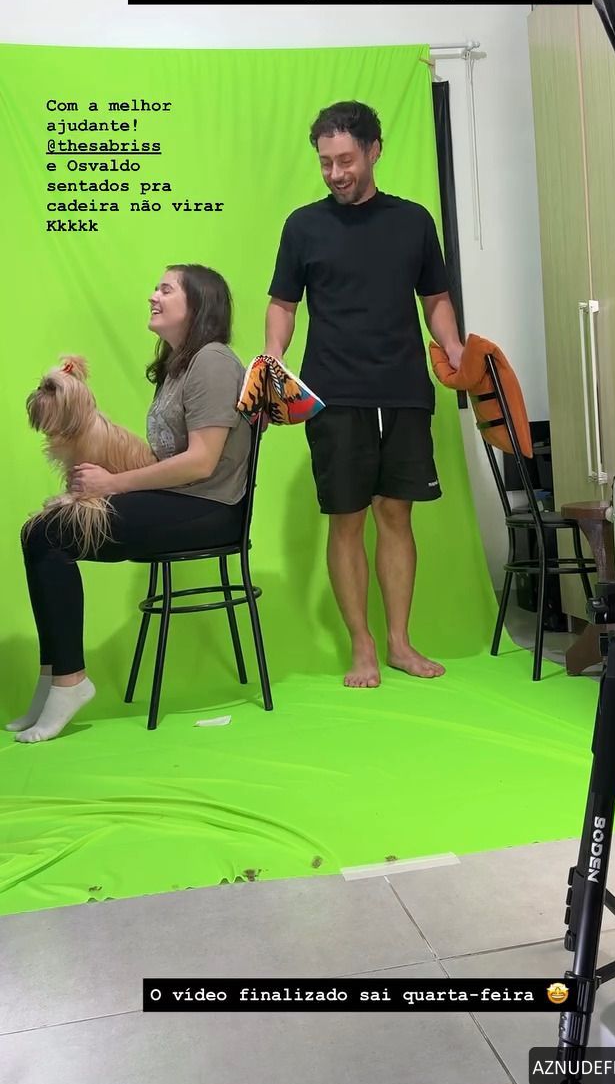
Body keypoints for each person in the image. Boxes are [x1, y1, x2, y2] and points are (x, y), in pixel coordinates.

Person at [265, 100, 464, 690]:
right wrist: (273, 357)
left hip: (403, 388)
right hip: (333, 392)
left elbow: (435, 298)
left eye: (346, 160)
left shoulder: (413, 221)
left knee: (396, 514)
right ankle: (363, 645)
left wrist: (453, 345)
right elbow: (283, 303)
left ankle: (400, 641)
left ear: (374, 150)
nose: (335, 173)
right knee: (347, 518)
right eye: (326, 162)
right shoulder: (303, 226)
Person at [9, 263, 250, 744]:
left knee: (51, 535)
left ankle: (70, 682)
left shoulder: (214, 361)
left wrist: (114, 484)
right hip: (177, 501)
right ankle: (54, 677)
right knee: (37, 533)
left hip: (210, 510)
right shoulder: (177, 367)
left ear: (197, 304)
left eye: (166, 289)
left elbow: (201, 462)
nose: (152, 296)